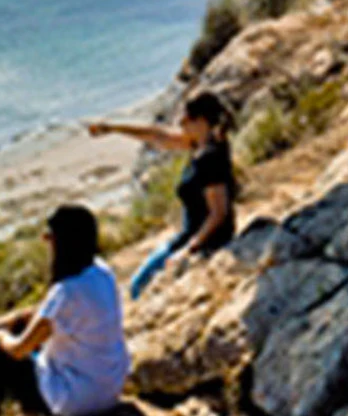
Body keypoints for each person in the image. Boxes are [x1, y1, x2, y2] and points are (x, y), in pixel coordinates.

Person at [0, 203, 130, 416]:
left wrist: (0, 334)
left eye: (51, 236)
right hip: (110, 387)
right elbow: (48, 313)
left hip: (79, 402)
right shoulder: (101, 272)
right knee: (42, 349)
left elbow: (19, 350)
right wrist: (16, 319)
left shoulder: (66, 292)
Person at [88, 91, 238, 300]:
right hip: (188, 235)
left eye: (186, 117)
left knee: (138, 286)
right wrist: (113, 128)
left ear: (201, 121)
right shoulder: (198, 145)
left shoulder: (210, 157)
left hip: (205, 240)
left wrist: (189, 249)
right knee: (138, 283)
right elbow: (157, 135)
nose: (180, 122)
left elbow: (218, 213)